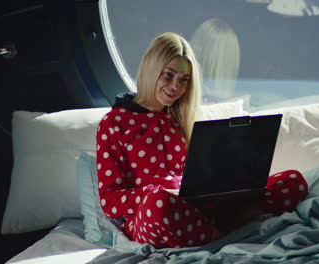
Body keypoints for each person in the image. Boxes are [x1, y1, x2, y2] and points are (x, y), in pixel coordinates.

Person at [96, 32, 308, 248]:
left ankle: (222, 223)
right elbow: (110, 201)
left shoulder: (181, 118)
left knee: (293, 180)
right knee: (158, 204)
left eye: (183, 80)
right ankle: (224, 233)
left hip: (201, 206)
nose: (175, 87)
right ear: (152, 69)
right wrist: (161, 193)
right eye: (168, 76)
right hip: (153, 214)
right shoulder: (114, 123)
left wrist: (227, 182)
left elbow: (201, 174)